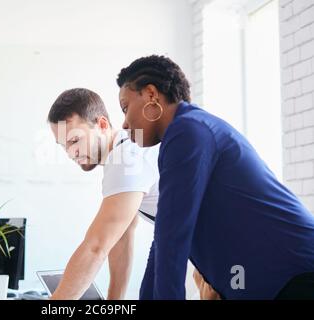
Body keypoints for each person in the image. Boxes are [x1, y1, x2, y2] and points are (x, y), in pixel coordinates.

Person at [117, 55, 314, 300]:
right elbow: (164, 239)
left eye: (125, 108)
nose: (124, 124)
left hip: (297, 275)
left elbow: (172, 240)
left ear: (150, 94)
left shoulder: (189, 130)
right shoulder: (184, 134)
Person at [47, 88, 218, 299]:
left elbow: (96, 247)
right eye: (63, 145)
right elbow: (121, 236)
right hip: (183, 234)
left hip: (221, 237)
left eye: (74, 141)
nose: (70, 153)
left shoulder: (127, 158)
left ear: (101, 125)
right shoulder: (123, 154)